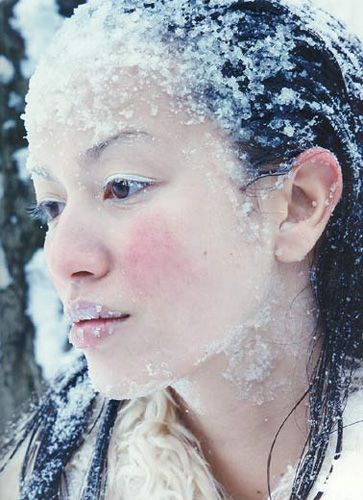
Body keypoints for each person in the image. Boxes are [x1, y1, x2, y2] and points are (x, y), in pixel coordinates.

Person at [0, 0, 362, 498]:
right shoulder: (40, 481)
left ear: (298, 204)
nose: (62, 260)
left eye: (122, 186)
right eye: (52, 207)